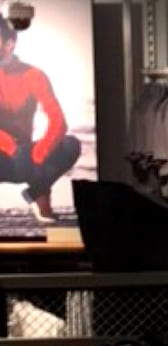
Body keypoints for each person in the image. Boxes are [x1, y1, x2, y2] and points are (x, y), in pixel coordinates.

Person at [0, 16, 80, 224]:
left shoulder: (34, 75)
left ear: (9, 44)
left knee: (71, 145)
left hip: (26, 159)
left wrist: (38, 154)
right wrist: (12, 148)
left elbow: (58, 122)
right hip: (5, 154)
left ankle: (36, 191)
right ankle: (40, 193)